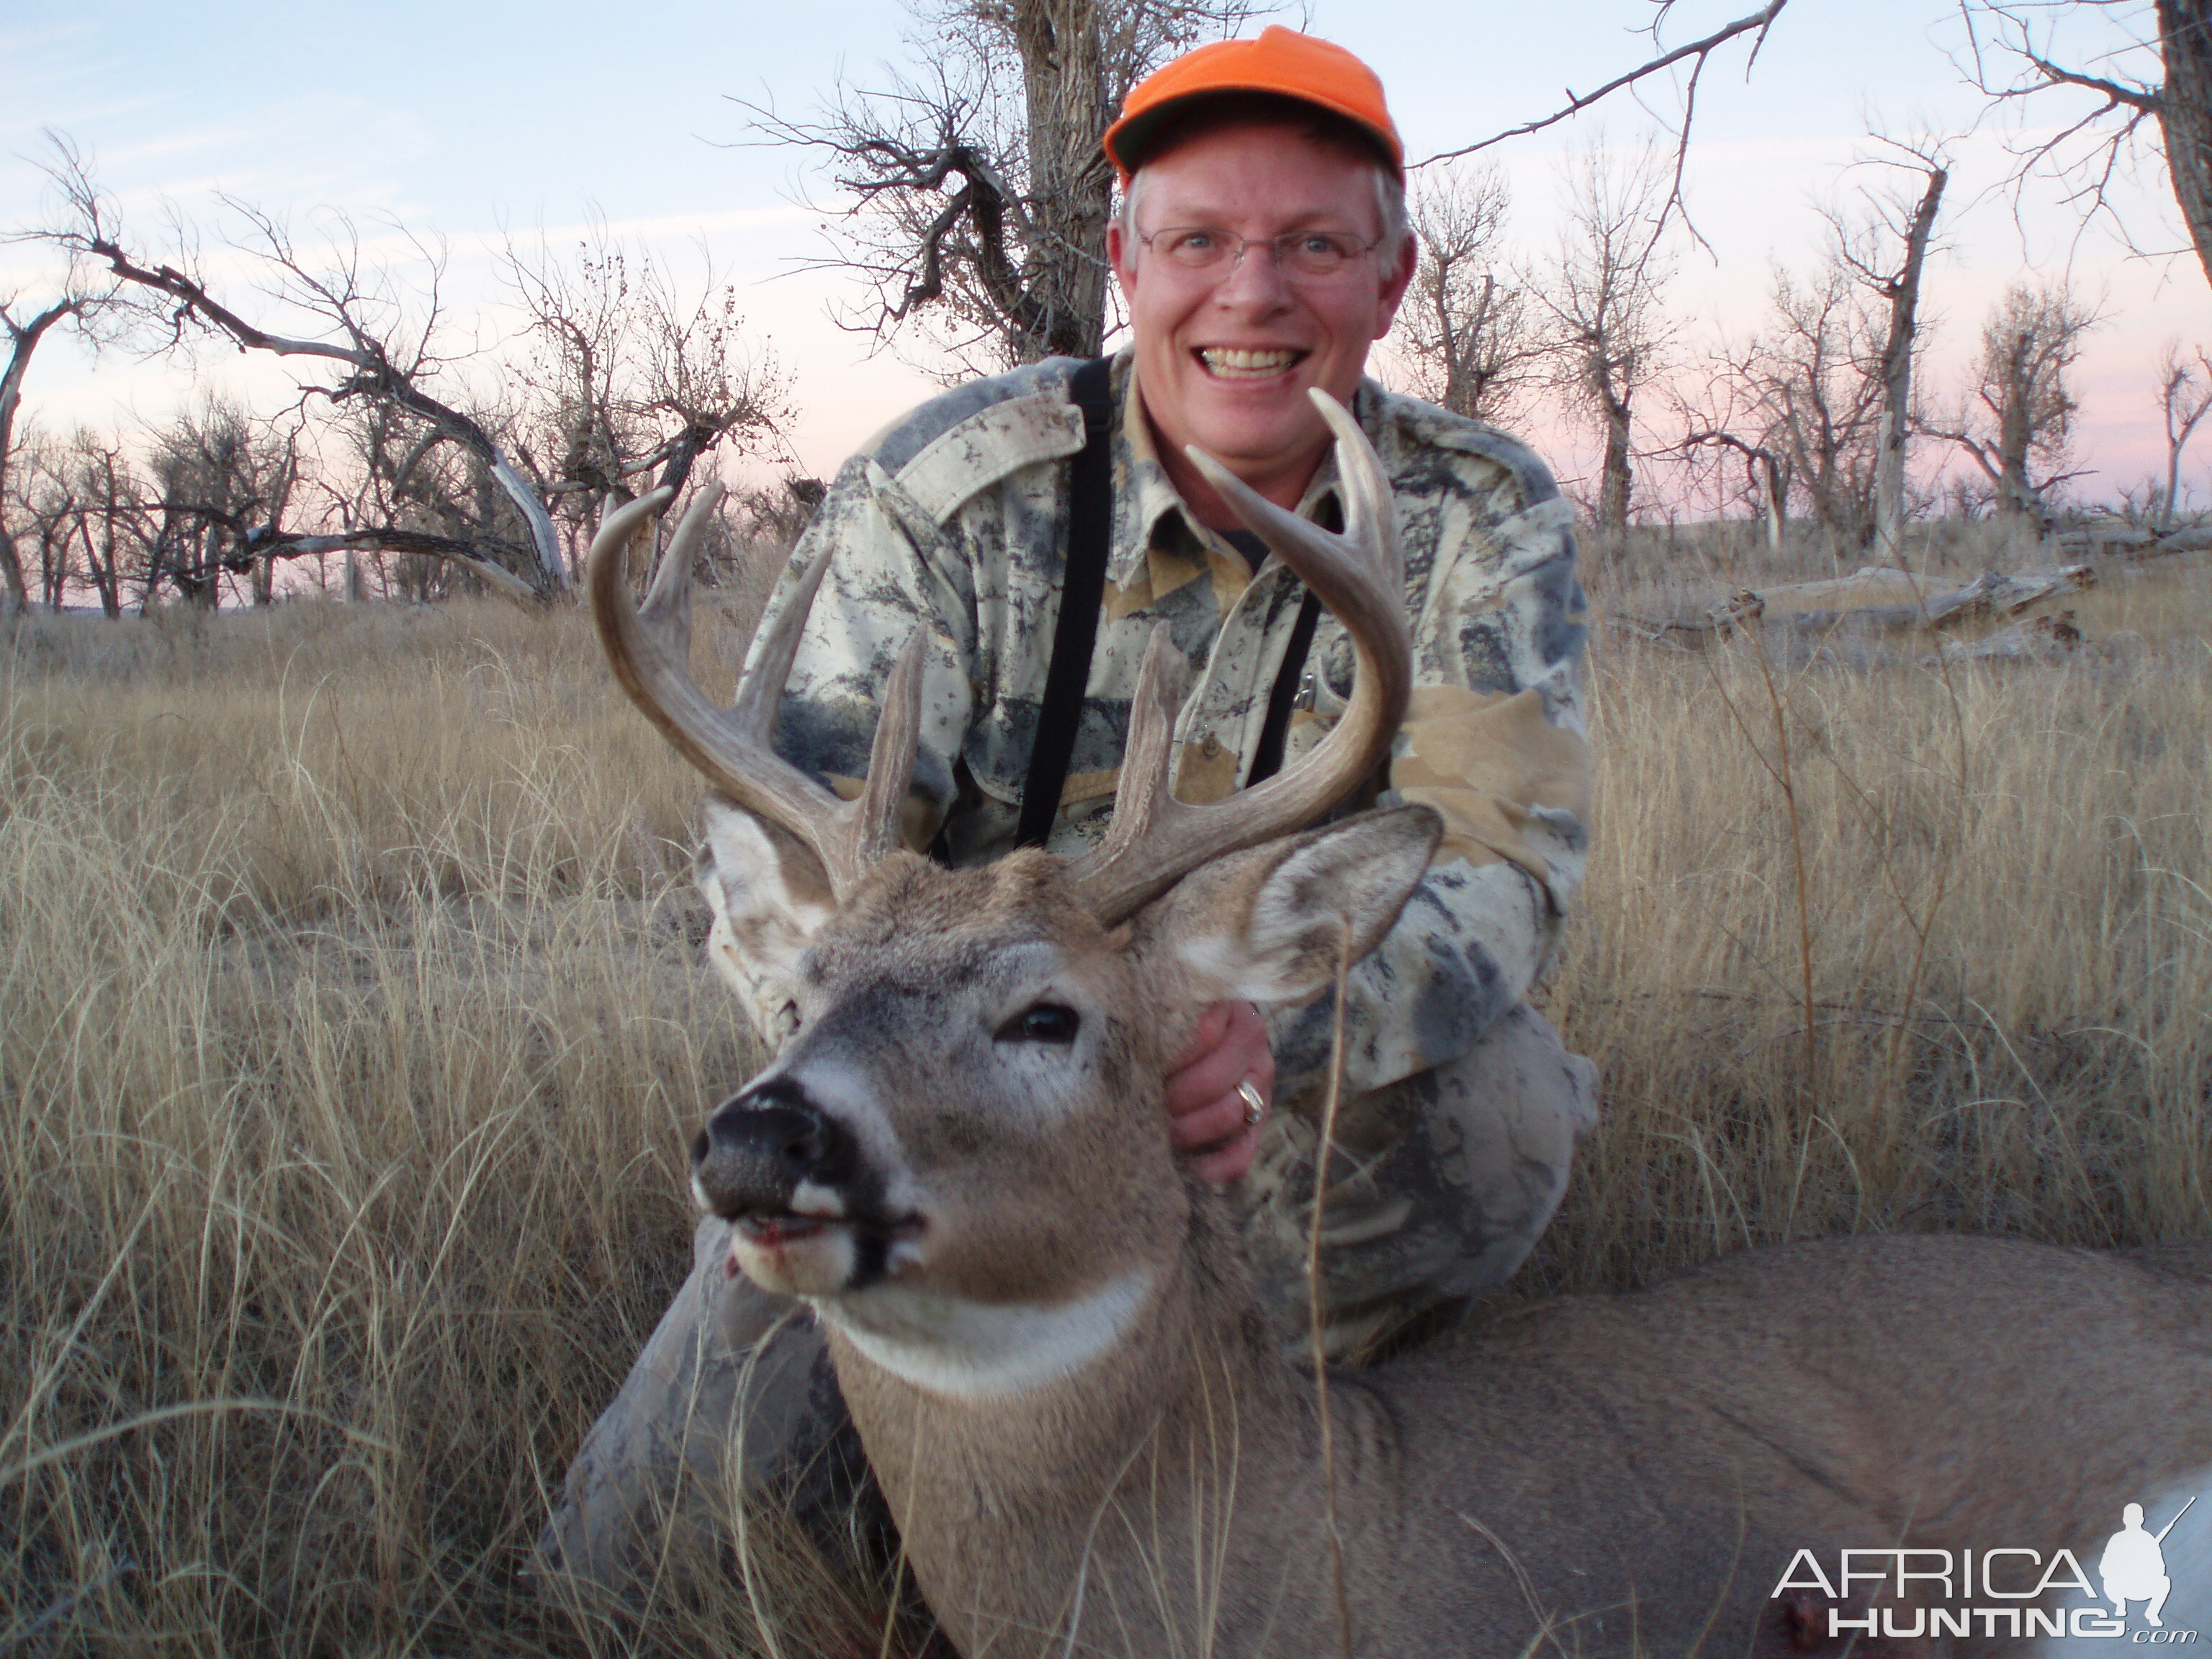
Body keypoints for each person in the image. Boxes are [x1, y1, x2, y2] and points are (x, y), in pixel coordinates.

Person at [540, 24, 1599, 1594]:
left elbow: (1501, 869)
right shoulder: (948, 494)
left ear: (1390, 278)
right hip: (941, 1107)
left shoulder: (1473, 518)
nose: (1253, 295)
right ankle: (980, 1427)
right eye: (1199, 242)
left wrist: (1243, 1035)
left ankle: (1205, 1458)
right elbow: (794, 873)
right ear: (1122, 259)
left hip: (1244, 1100)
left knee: (1497, 1114)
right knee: (637, 1574)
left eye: (1313, 244)